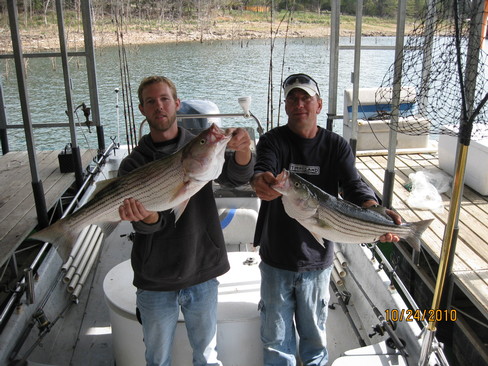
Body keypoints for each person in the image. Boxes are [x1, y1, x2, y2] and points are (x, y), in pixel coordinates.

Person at [251, 73, 401, 366]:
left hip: (317, 260)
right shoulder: (273, 140)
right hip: (276, 257)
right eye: (292, 99)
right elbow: (263, 166)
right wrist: (259, 179)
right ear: (286, 106)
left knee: (314, 338)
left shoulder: (335, 145)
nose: (299, 104)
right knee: (275, 341)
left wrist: (376, 211)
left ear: (318, 105)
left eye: (306, 98)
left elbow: (353, 185)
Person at [117, 75, 255, 366]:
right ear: (142, 109)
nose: (159, 107)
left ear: (177, 104)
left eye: (165, 99)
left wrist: (243, 151)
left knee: (207, 356)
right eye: (151, 101)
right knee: (157, 360)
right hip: (155, 277)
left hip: (201, 267)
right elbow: (145, 225)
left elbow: (236, 177)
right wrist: (151, 217)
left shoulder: (200, 146)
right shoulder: (133, 163)